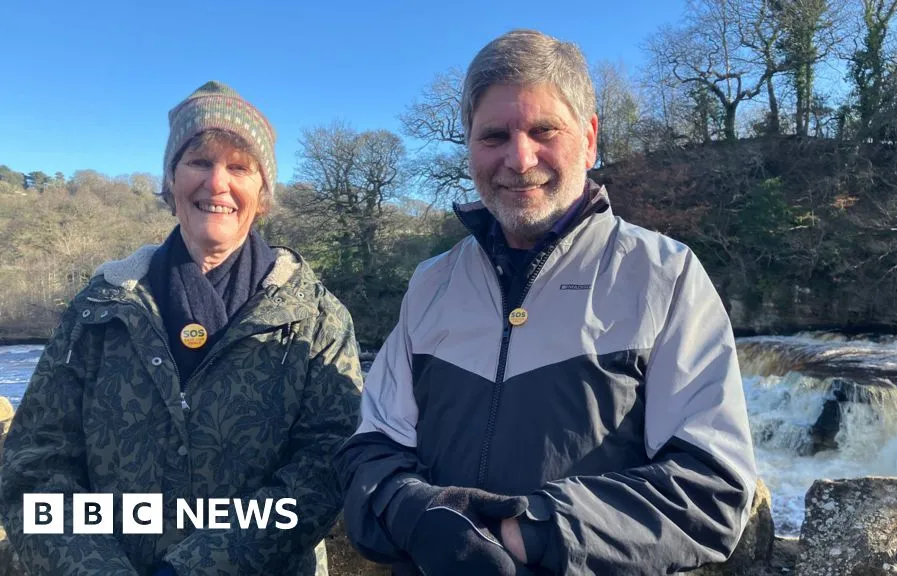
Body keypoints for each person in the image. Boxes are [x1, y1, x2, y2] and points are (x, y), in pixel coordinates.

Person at [337, 29, 758, 576]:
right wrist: (420, 516)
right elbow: (370, 450)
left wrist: (529, 532)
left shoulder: (663, 275)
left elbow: (714, 487)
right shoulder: (431, 284)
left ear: (589, 137)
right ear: (468, 145)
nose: (519, 157)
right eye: (493, 136)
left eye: (543, 130)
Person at [0, 81, 364, 576]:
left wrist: (194, 569)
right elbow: (35, 468)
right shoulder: (98, 309)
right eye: (199, 162)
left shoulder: (318, 318)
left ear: (263, 194)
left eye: (239, 167)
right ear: (170, 182)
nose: (217, 183)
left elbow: (326, 467)